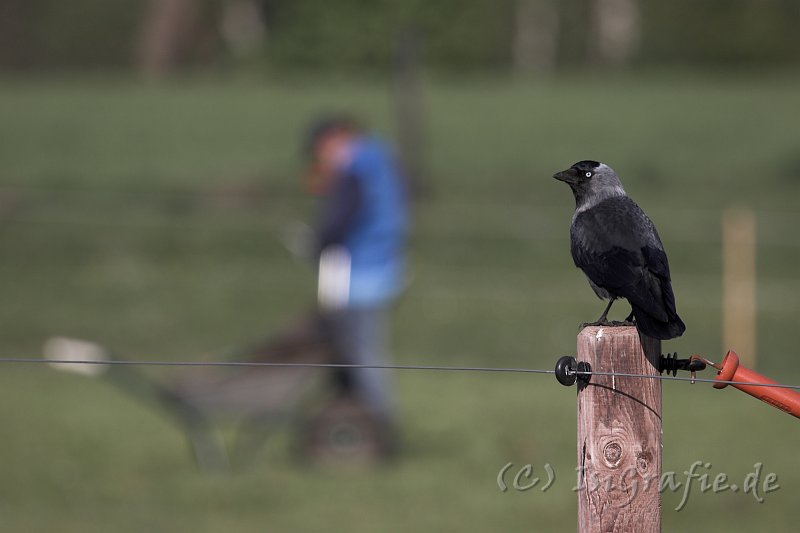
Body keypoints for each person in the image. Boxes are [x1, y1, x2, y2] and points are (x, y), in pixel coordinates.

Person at [303, 115, 409, 456]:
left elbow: (337, 222)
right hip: (383, 268)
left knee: (361, 355)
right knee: (363, 352)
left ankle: (379, 430)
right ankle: (362, 425)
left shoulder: (355, 169)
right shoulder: (380, 160)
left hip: (360, 276)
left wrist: (316, 242)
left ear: (333, 140)